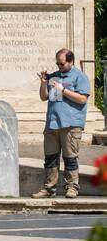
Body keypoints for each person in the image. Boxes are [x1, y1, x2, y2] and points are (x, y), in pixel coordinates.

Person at [34, 48, 92, 199]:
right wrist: (43, 83)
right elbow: (44, 97)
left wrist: (63, 90)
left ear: (71, 61)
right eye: (57, 63)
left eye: (62, 64)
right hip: (52, 123)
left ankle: (72, 187)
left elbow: (82, 99)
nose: (59, 66)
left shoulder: (80, 77)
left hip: (71, 124)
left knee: (70, 158)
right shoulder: (54, 76)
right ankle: (49, 188)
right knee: (50, 158)